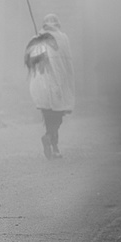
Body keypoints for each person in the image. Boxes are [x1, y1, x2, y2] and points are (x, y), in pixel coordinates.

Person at [24, 13, 76, 159]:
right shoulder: (63, 38)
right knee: (57, 116)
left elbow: (30, 63)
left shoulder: (37, 39)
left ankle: (51, 142)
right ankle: (52, 143)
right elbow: (67, 64)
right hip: (56, 85)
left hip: (42, 87)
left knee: (48, 117)